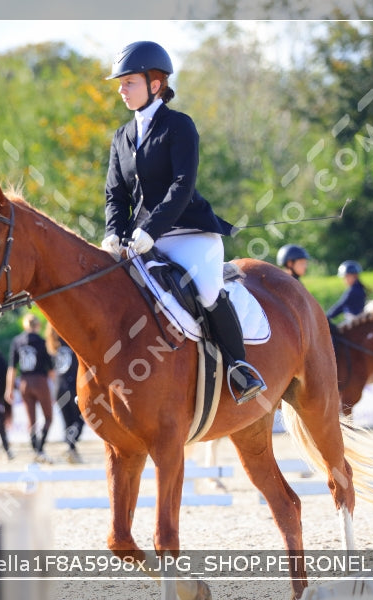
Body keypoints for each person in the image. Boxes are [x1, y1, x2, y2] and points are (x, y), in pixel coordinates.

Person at [100, 40, 265, 404]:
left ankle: (241, 369)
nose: (120, 89)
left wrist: (149, 230)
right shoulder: (121, 136)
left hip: (189, 235)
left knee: (207, 292)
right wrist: (114, 232)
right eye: (120, 83)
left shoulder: (178, 126)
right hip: (140, 240)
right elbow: (116, 194)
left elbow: (182, 185)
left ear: (155, 84)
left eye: (129, 82)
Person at [7, 314, 55, 463]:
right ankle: (40, 448)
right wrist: (55, 387)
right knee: (48, 417)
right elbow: (51, 370)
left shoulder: (17, 341)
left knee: (31, 419)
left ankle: (35, 449)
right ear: (38, 326)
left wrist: (9, 388)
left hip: (24, 382)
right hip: (40, 381)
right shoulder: (42, 342)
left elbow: (12, 369)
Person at [46, 325, 84, 464]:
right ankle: (70, 445)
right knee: (80, 419)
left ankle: (71, 448)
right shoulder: (72, 340)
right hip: (72, 384)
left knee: (67, 421)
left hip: (58, 386)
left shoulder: (53, 344)